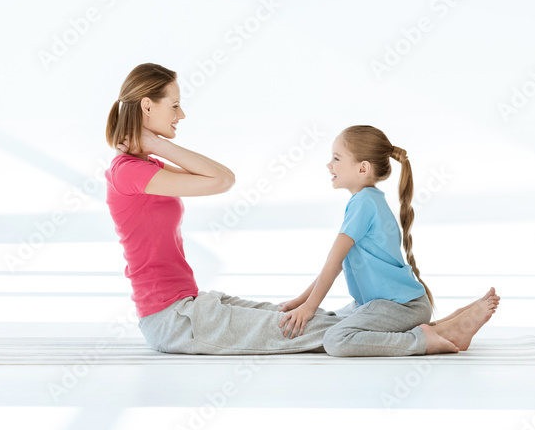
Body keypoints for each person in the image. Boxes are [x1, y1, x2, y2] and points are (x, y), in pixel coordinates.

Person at [104, 63, 498, 356]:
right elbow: (221, 180)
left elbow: (222, 178)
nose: (182, 114)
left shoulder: (145, 170)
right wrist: (153, 143)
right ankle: (425, 337)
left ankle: (440, 327)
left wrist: (151, 143)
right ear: (147, 107)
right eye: (174, 105)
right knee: (295, 329)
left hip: (187, 304)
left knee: (301, 316)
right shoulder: (130, 172)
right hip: (171, 320)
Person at [275, 124, 499, 356]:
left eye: (336, 158)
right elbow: (338, 264)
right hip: (389, 305)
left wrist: (309, 307)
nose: (329, 164)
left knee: (335, 339)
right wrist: (302, 301)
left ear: (362, 168)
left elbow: (334, 262)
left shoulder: (362, 204)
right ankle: (451, 324)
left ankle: (429, 339)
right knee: (327, 323)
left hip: (400, 307)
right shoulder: (368, 201)